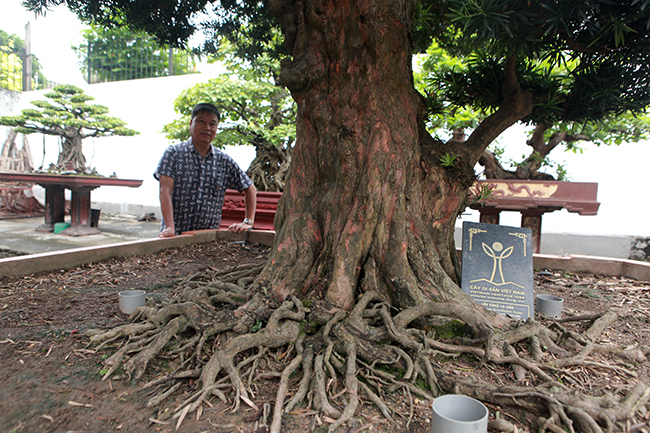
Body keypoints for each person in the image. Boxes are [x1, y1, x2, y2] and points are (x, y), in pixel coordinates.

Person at [154, 103, 257, 237]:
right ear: (191, 123)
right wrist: (170, 227)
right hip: (175, 236)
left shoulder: (224, 161)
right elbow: (165, 191)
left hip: (207, 240)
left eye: (212, 124)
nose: (207, 128)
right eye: (201, 121)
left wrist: (248, 222)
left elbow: (250, 188)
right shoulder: (173, 154)